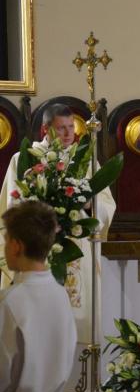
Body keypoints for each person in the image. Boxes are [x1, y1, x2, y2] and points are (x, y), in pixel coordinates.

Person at [0, 104, 116, 345]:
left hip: (77, 246)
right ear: (45, 129)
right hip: (37, 247)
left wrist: (89, 205)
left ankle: (81, 364)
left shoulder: (85, 160)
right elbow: (13, 204)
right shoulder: (24, 159)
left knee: (78, 316)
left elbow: (106, 205)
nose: (68, 134)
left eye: (71, 127)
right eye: (61, 128)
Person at [0, 201, 77, 392]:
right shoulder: (61, 294)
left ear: (16, 246)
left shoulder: (10, 301)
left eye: (5, 240)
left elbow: (3, 372)